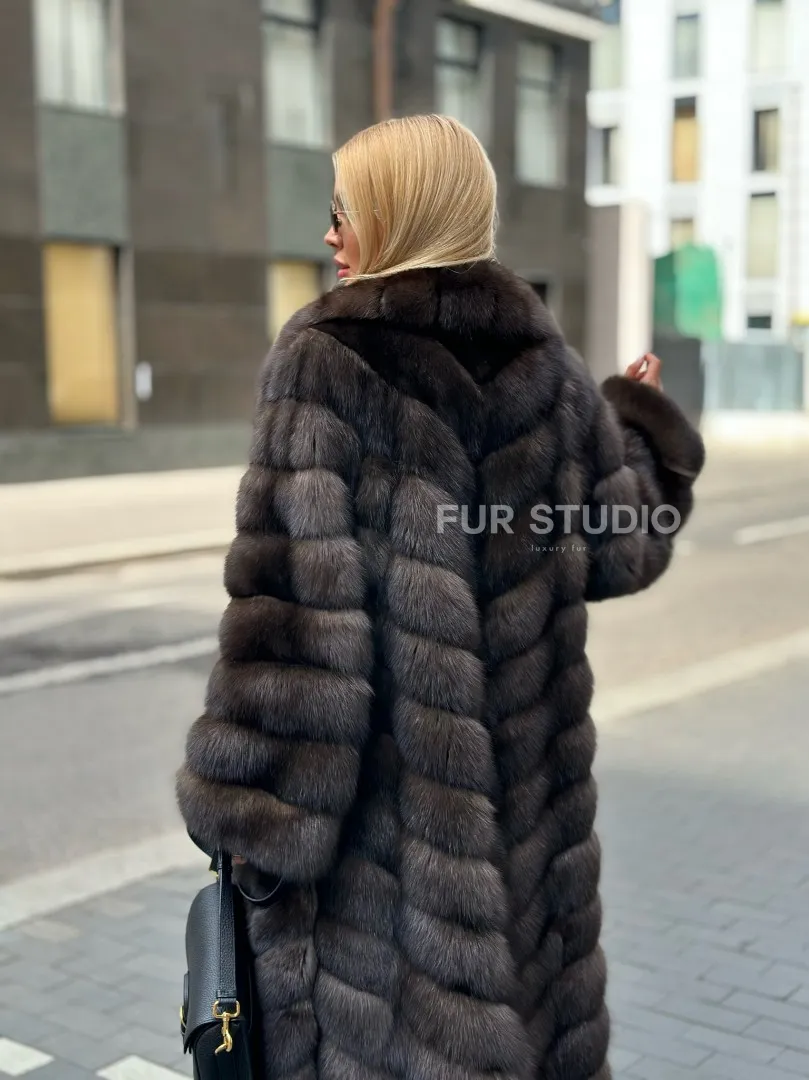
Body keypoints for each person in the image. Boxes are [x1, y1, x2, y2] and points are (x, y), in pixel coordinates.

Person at [177, 114, 705, 1080]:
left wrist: (249, 813)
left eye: (345, 211)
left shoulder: (326, 362)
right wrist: (637, 426)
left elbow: (297, 633)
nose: (330, 233)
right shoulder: (549, 373)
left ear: (398, 212)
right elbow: (622, 544)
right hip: (526, 870)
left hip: (382, 888)